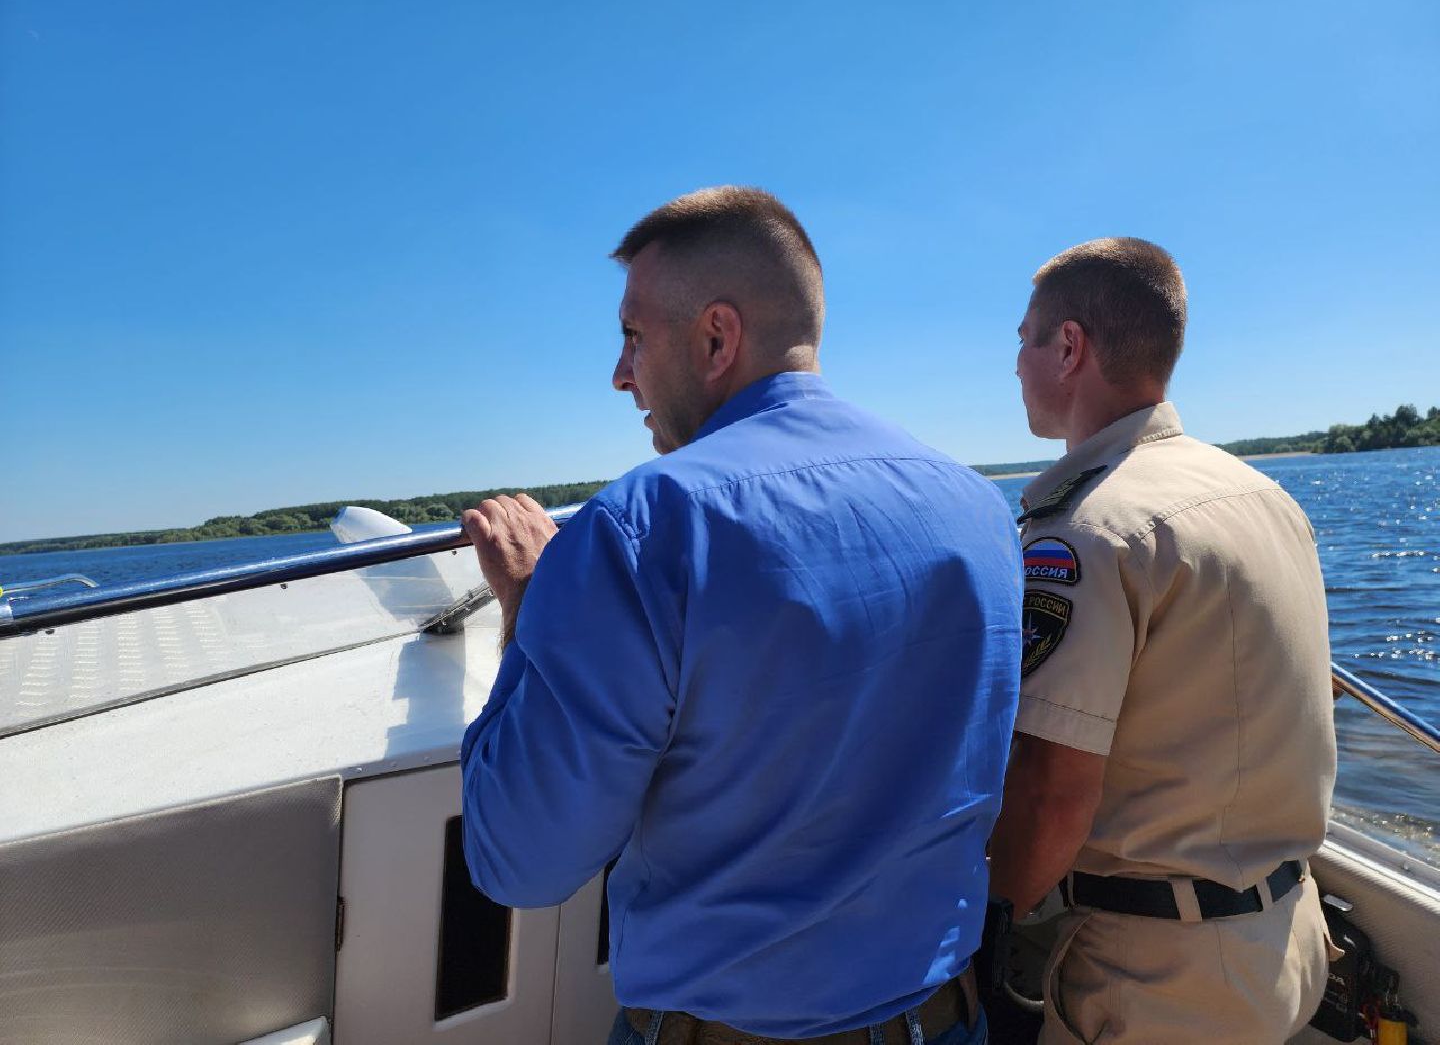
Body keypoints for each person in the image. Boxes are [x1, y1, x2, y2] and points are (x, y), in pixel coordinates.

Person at [459, 186, 1022, 1044]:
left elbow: (521, 859)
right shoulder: (978, 507)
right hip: (946, 1020)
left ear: (717, 337)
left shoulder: (639, 530)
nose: (620, 374)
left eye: (633, 336)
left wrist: (533, 607)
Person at [987, 237, 1336, 1044]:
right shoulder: (1262, 495)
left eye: (1025, 339)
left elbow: (1052, 791)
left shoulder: (1088, 531)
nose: (1015, 364)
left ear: (1068, 347)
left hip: (1161, 977)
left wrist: (972, 939)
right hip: (1286, 940)